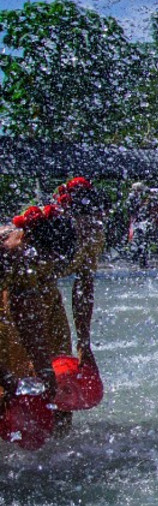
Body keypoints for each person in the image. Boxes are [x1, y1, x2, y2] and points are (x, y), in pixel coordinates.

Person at [9, 178, 109, 425]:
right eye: (83, 220)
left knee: (61, 372)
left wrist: (84, 343)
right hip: (14, 303)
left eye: (95, 220)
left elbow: (84, 288)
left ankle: (60, 437)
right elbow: (16, 302)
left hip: (48, 298)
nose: (90, 227)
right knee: (23, 369)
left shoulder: (93, 237)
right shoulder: (35, 237)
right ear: (67, 215)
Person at [1, 205, 79, 429]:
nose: (40, 265)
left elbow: (25, 316)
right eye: (40, 258)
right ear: (24, 237)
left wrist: (44, 369)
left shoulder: (23, 259)